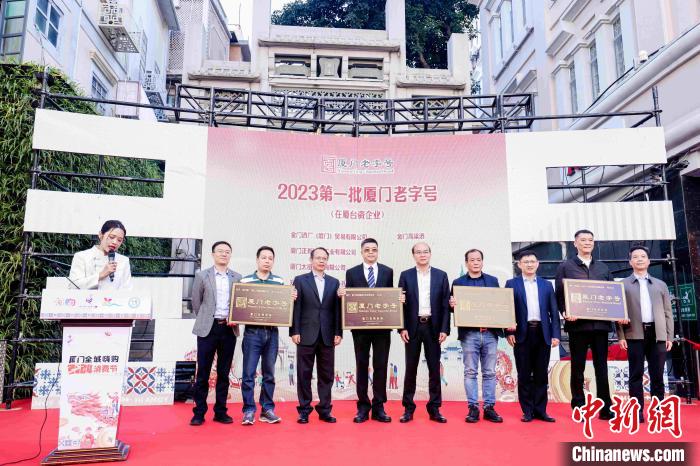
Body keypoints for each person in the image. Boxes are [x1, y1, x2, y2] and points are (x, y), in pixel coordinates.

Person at [555, 229, 622, 420]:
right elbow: (559, 294)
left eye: (590, 240)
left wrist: (617, 313)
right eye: (583, 240)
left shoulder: (603, 268)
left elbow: (612, 293)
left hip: (601, 326)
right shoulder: (566, 267)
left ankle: (605, 407)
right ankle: (579, 407)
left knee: (602, 367)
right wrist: (565, 312)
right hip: (578, 326)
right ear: (575, 243)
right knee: (577, 368)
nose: (587, 243)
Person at [239, 246, 296, 425]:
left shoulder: (279, 282)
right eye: (263, 257)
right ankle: (249, 410)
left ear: (273, 261)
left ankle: (267, 410)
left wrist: (290, 299)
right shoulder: (245, 281)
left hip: (272, 332)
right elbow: (240, 305)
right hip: (252, 333)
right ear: (257, 260)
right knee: (249, 374)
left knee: (269, 373)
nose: (267, 261)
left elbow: (284, 306)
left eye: (270, 258)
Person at [617, 246, 674, 421]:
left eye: (643, 256)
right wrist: (621, 336)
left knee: (657, 375)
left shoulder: (660, 284)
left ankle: (658, 411)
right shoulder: (622, 285)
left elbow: (668, 312)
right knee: (635, 375)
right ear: (630, 262)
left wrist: (669, 336)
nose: (639, 259)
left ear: (649, 261)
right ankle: (637, 411)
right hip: (634, 333)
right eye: (635, 257)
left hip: (658, 334)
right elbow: (617, 313)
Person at [190, 241, 242, 426]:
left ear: (230, 255)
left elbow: (240, 303)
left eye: (227, 252)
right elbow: (196, 302)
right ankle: (199, 412)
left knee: (224, 372)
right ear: (212, 254)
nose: (224, 254)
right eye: (220, 251)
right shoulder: (202, 275)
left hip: (228, 328)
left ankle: (220, 411)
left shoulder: (237, 277)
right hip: (208, 328)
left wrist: (234, 317)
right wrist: (206, 318)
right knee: (203, 372)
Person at [505, 250, 561, 423]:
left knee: (541, 374)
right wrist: (509, 332)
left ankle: (541, 410)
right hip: (522, 333)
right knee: (523, 374)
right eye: (526, 262)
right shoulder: (511, 284)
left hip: (543, 333)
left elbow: (553, 312)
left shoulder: (546, 285)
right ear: (519, 265)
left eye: (532, 261)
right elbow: (506, 309)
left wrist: (555, 334)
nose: (529, 264)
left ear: (537, 264)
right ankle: (527, 411)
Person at [343, 238, 394, 423]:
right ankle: (363, 407)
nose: (371, 253)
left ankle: (379, 407)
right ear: (361, 252)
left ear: (378, 251)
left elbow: (390, 298)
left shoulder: (388, 271)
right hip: (360, 329)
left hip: (382, 328)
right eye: (367, 250)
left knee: (381, 366)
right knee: (362, 365)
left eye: (374, 250)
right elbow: (350, 299)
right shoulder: (352, 272)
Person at [450, 249, 504, 423]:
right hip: (469, 334)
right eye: (472, 260)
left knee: (489, 372)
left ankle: (489, 407)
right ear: (466, 263)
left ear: (482, 262)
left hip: (490, 333)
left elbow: (500, 304)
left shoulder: (493, 281)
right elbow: (453, 308)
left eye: (478, 259)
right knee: (470, 372)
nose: (475, 263)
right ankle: (473, 407)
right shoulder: (458, 283)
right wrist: (452, 304)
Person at [398, 242, 450, 423]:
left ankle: (434, 408)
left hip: (433, 327)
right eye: (418, 252)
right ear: (413, 255)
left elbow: (445, 304)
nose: (422, 255)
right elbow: (400, 304)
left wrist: (444, 329)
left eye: (425, 251)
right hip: (412, 327)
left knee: (434, 369)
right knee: (410, 368)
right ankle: (408, 409)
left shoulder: (441, 275)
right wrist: (402, 328)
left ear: (430, 254)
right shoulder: (405, 275)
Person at [290, 247, 342, 424]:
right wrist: (294, 331)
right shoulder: (300, 280)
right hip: (305, 334)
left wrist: (338, 332)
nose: (321, 261)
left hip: (327, 335)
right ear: (311, 260)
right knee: (304, 373)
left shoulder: (334, 282)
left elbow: (337, 310)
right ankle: (304, 410)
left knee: (326, 375)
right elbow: (296, 307)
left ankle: (325, 410)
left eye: (324, 258)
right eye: (318, 258)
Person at [69, 220, 132, 290]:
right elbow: (73, 286)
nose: (115, 242)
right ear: (101, 235)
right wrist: (101, 275)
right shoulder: (82, 257)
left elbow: (127, 290)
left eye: (119, 240)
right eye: (111, 237)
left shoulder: (124, 261)